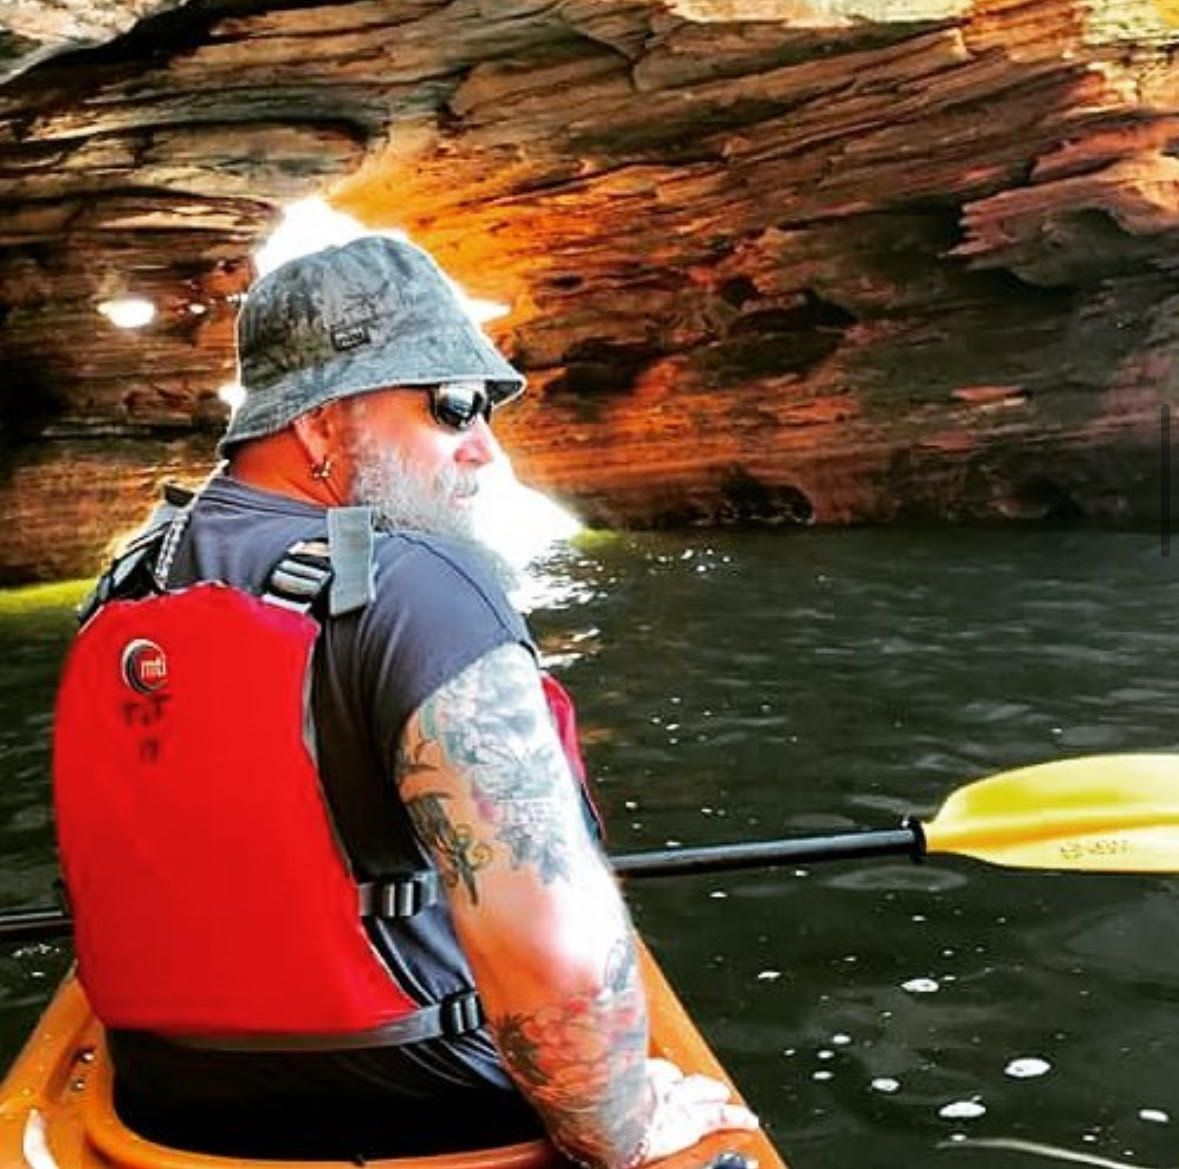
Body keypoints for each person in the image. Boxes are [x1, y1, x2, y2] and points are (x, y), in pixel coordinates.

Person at [53, 236, 759, 1165]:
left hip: (162, 1109)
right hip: (432, 1110)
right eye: (452, 404)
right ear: (321, 423)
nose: (483, 449)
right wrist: (628, 1130)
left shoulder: (127, 583)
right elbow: (559, 967)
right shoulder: (421, 585)